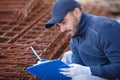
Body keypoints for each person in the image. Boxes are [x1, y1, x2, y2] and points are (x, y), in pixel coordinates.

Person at [45, 0, 120, 80]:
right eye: (58, 25)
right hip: (98, 67)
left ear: (77, 12)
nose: (62, 30)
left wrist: (86, 70)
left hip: (114, 76)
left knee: (80, 78)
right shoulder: (75, 35)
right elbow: (77, 63)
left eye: (64, 22)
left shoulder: (104, 28)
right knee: (67, 56)